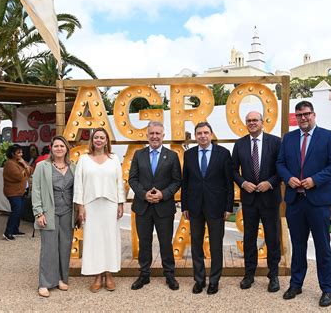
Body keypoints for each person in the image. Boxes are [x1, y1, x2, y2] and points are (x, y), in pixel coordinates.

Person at [276, 101, 331, 307]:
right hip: (295, 201)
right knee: (298, 245)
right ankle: (296, 284)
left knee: (323, 246)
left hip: (318, 201)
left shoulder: (328, 136)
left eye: (306, 114)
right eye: (299, 115)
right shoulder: (288, 138)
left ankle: (327, 289)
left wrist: (315, 180)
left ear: (314, 114)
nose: (302, 118)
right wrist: (288, 179)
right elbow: (280, 163)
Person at [231, 111, 282, 292]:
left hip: (270, 198)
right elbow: (233, 170)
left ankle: (273, 275)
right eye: (249, 121)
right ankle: (249, 274)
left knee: (272, 238)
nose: (252, 123)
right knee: (249, 238)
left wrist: (270, 183)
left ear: (262, 122)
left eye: (255, 120)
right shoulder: (240, 144)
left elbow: (282, 168)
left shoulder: (275, 142)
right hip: (250, 200)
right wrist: (243, 183)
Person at [181, 122, 234, 295]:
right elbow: (186, 182)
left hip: (216, 207)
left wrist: (228, 206)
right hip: (195, 207)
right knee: (196, 245)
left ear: (211, 134)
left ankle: (214, 280)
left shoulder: (223, 154)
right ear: (195, 136)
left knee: (216, 245)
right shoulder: (188, 155)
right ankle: (199, 280)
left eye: (205, 132)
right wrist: (184, 206)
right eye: (199, 133)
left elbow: (228, 183)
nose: (202, 136)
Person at [128, 121, 181, 291]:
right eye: (151, 133)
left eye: (158, 133)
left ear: (163, 136)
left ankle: (169, 274)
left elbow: (177, 181)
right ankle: (144, 275)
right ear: (147, 135)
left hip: (163, 206)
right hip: (143, 206)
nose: (154, 136)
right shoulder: (138, 154)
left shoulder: (172, 156)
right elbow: (133, 179)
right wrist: (144, 194)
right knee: (144, 242)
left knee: (166, 242)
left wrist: (163, 194)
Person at [74, 128, 125, 292]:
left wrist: (120, 203)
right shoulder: (83, 159)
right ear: (92, 140)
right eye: (96, 137)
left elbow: (119, 183)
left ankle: (109, 275)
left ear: (106, 140)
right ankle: (97, 275)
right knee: (94, 241)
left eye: (102, 137)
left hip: (110, 205)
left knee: (110, 240)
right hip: (91, 206)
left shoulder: (114, 159)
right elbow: (79, 184)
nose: (99, 140)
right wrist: (80, 207)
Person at [32, 135, 76, 298]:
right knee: (49, 248)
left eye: (62, 146)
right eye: (56, 146)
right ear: (51, 148)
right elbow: (36, 189)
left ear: (66, 149)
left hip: (67, 212)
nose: (59, 149)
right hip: (49, 211)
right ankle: (44, 283)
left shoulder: (73, 167)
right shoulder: (42, 166)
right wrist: (39, 212)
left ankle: (61, 279)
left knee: (64, 247)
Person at [3, 144, 33, 241]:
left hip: (22, 192)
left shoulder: (20, 162)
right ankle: (8, 232)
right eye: (18, 152)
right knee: (16, 211)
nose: (21, 154)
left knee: (19, 211)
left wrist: (24, 164)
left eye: (21, 152)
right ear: (12, 154)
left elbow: (31, 171)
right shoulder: (9, 164)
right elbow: (19, 176)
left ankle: (15, 229)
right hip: (13, 192)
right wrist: (25, 167)